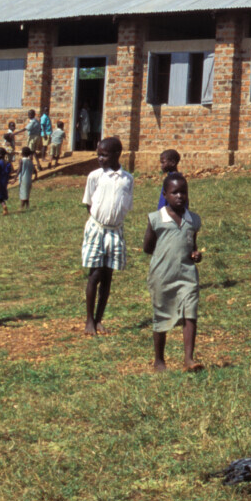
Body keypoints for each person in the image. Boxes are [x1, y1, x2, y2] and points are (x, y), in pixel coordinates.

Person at [142, 171, 202, 372]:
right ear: (164, 194)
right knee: (161, 315)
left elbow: (192, 244)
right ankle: (159, 360)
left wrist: (195, 255)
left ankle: (189, 359)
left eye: (183, 192)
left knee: (190, 314)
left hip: (187, 274)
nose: (180, 196)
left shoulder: (193, 220)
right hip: (162, 276)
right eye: (174, 192)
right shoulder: (155, 219)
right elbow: (148, 248)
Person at [82, 136, 134, 336]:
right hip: (97, 229)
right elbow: (89, 204)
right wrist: (100, 223)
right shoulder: (94, 176)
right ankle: (88, 320)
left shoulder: (127, 179)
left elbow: (125, 205)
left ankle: (98, 319)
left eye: (104, 155)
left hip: (116, 231)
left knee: (108, 275)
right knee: (95, 274)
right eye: (98, 155)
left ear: (116, 155)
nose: (100, 159)